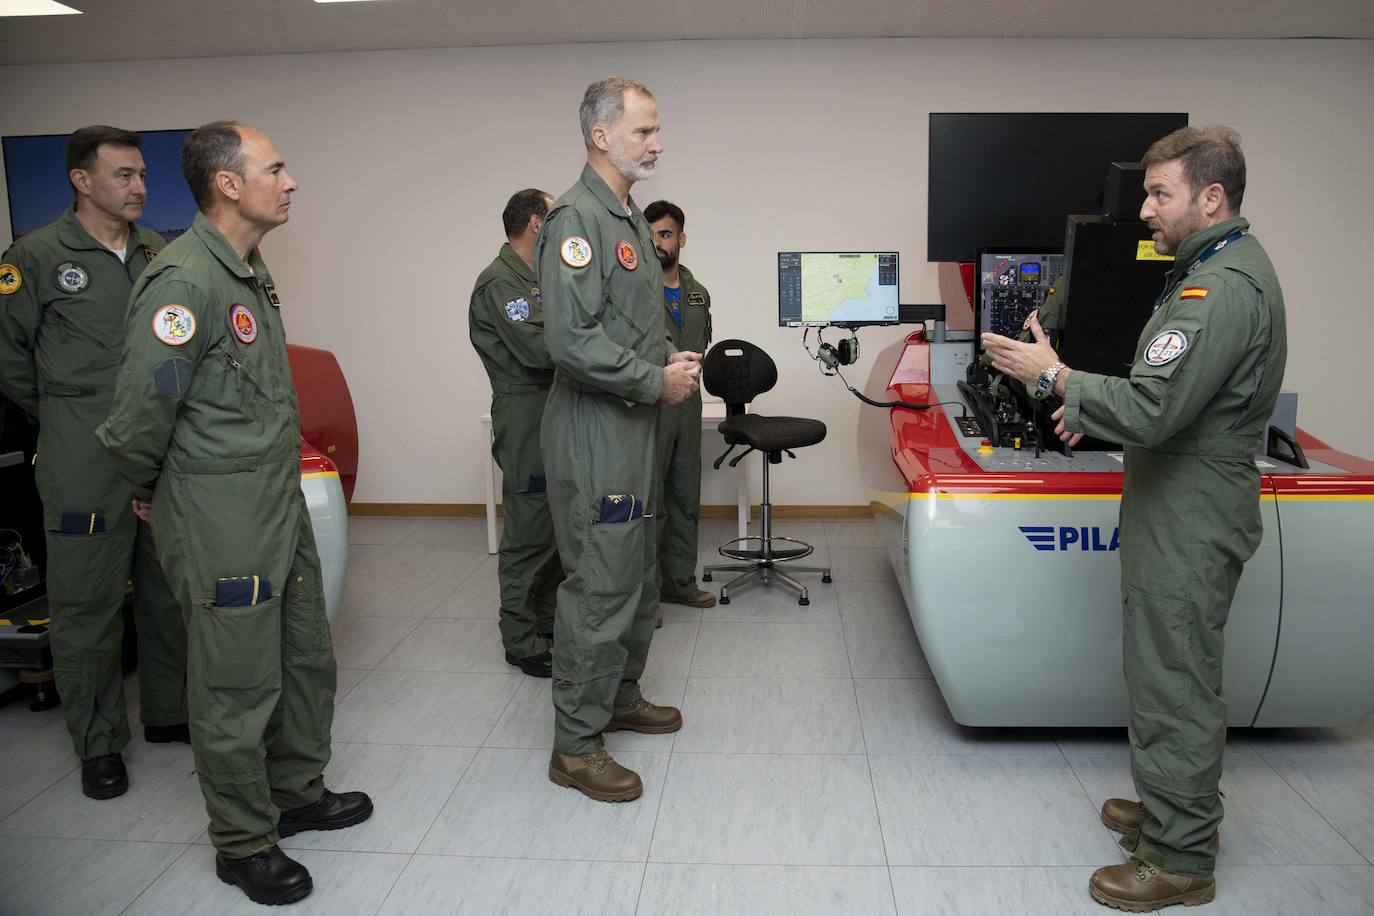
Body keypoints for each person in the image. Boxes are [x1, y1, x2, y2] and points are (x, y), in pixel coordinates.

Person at [982, 126, 1286, 911]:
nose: (1145, 210)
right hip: (1174, 491)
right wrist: (1094, 406)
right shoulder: (1206, 269)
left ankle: (1180, 857)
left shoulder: (1218, 289)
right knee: (1162, 666)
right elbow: (1170, 400)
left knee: (1175, 678)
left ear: (1211, 197)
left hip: (1191, 503)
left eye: (1161, 195)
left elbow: (1155, 405)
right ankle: (1165, 811)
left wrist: (1054, 377)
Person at [95, 121, 371, 906]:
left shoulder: (247, 269)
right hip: (221, 511)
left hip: (273, 498)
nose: (289, 182)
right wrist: (158, 491)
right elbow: (142, 413)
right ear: (226, 182)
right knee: (234, 683)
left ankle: (295, 792)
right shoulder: (185, 281)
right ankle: (243, 840)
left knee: (302, 655)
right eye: (275, 169)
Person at [0, 125, 189, 802]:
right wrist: (70, 410)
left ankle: (170, 713)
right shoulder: (37, 256)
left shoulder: (160, 252)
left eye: (141, 174)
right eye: (123, 175)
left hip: (160, 446)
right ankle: (99, 742)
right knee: (88, 605)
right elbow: (10, 361)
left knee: (167, 590)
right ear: (82, 180)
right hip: (83, 454)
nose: (138, 186)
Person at [537, 77, 702, 802]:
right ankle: (575, 744)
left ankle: (620, 696)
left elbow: (629, 325)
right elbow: (569, 340)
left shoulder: (629, 220)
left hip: (635, 421)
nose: (657, 144)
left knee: (633, 574)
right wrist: (651, 380)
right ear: (601, 136)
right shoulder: (576, 220)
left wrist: (666, 361)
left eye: (657, 131)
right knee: (599, 583)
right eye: (643, 131)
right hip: (597, 428)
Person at [469, 188, 563, 678]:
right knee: (528, 528)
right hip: (525, 411)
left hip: (550, 408)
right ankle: (520, 637)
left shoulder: (536, 278)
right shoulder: (500, 282)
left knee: (552, 523)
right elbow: (539, 351)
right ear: (534, 224)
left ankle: (545, 619)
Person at [644, 200, 715, 610]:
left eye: (666, 234)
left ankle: (680, 582)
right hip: (649, 403)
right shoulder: (633, 292)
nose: (658, 242)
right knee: (649, 503)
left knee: (685, 495)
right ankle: (646, 596)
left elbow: (701, 344)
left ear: (681, 238)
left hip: (688, 405)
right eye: (651, 234)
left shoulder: (696, 294)